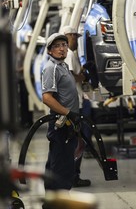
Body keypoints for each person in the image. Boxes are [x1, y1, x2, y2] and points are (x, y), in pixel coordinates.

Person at [41, 33, 82, 208]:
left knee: (58, 163)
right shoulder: (52, 68)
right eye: (57, 46)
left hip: (68, 123)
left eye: (64, 45)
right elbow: (47, 98)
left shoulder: (63, 66)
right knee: (62, 167)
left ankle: (53, 203)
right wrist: (69, 113)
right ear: (50, 50)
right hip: (62, 123)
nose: (62, 48)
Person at [61, 25, 93, 187]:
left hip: (78, 102)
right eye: (75, 37)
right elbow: (72, 77)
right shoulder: (69, 55)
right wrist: (84, 75)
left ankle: (72, 175)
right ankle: (73, 176)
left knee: (78, 140)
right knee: (79, 140)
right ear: (69, 36)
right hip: (77, 105)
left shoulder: (69, 55)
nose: (76, 41)